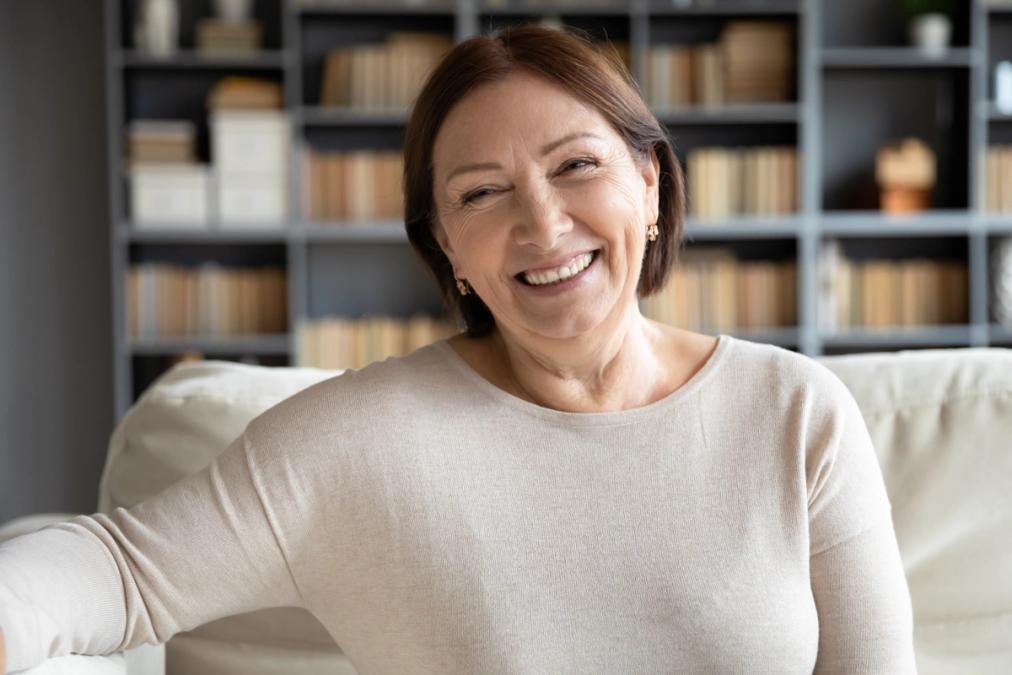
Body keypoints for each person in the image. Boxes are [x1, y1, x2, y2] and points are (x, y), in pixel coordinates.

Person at [0, 24, 915, 674]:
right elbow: (120, 570)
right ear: (447, 249)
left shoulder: (798, 413)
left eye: (576, 166)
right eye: (482, 193)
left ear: (649, 184)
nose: (543, 225)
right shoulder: (355, 441)